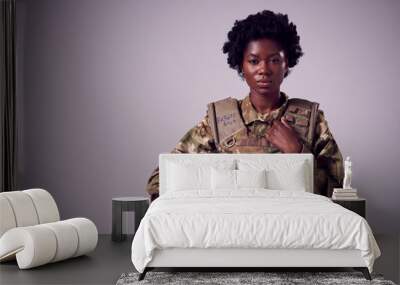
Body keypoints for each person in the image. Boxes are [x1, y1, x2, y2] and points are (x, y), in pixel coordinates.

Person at [146, 10, 344, 201]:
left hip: (291, 227)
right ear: (241, 65)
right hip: (230, 226)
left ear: (287, 64)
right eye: (254, 60)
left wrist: (298, 152)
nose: (264, 70)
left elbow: (340, 192)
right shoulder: (220, 121)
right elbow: (161, 179)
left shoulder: (311, 121)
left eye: (274, 60)